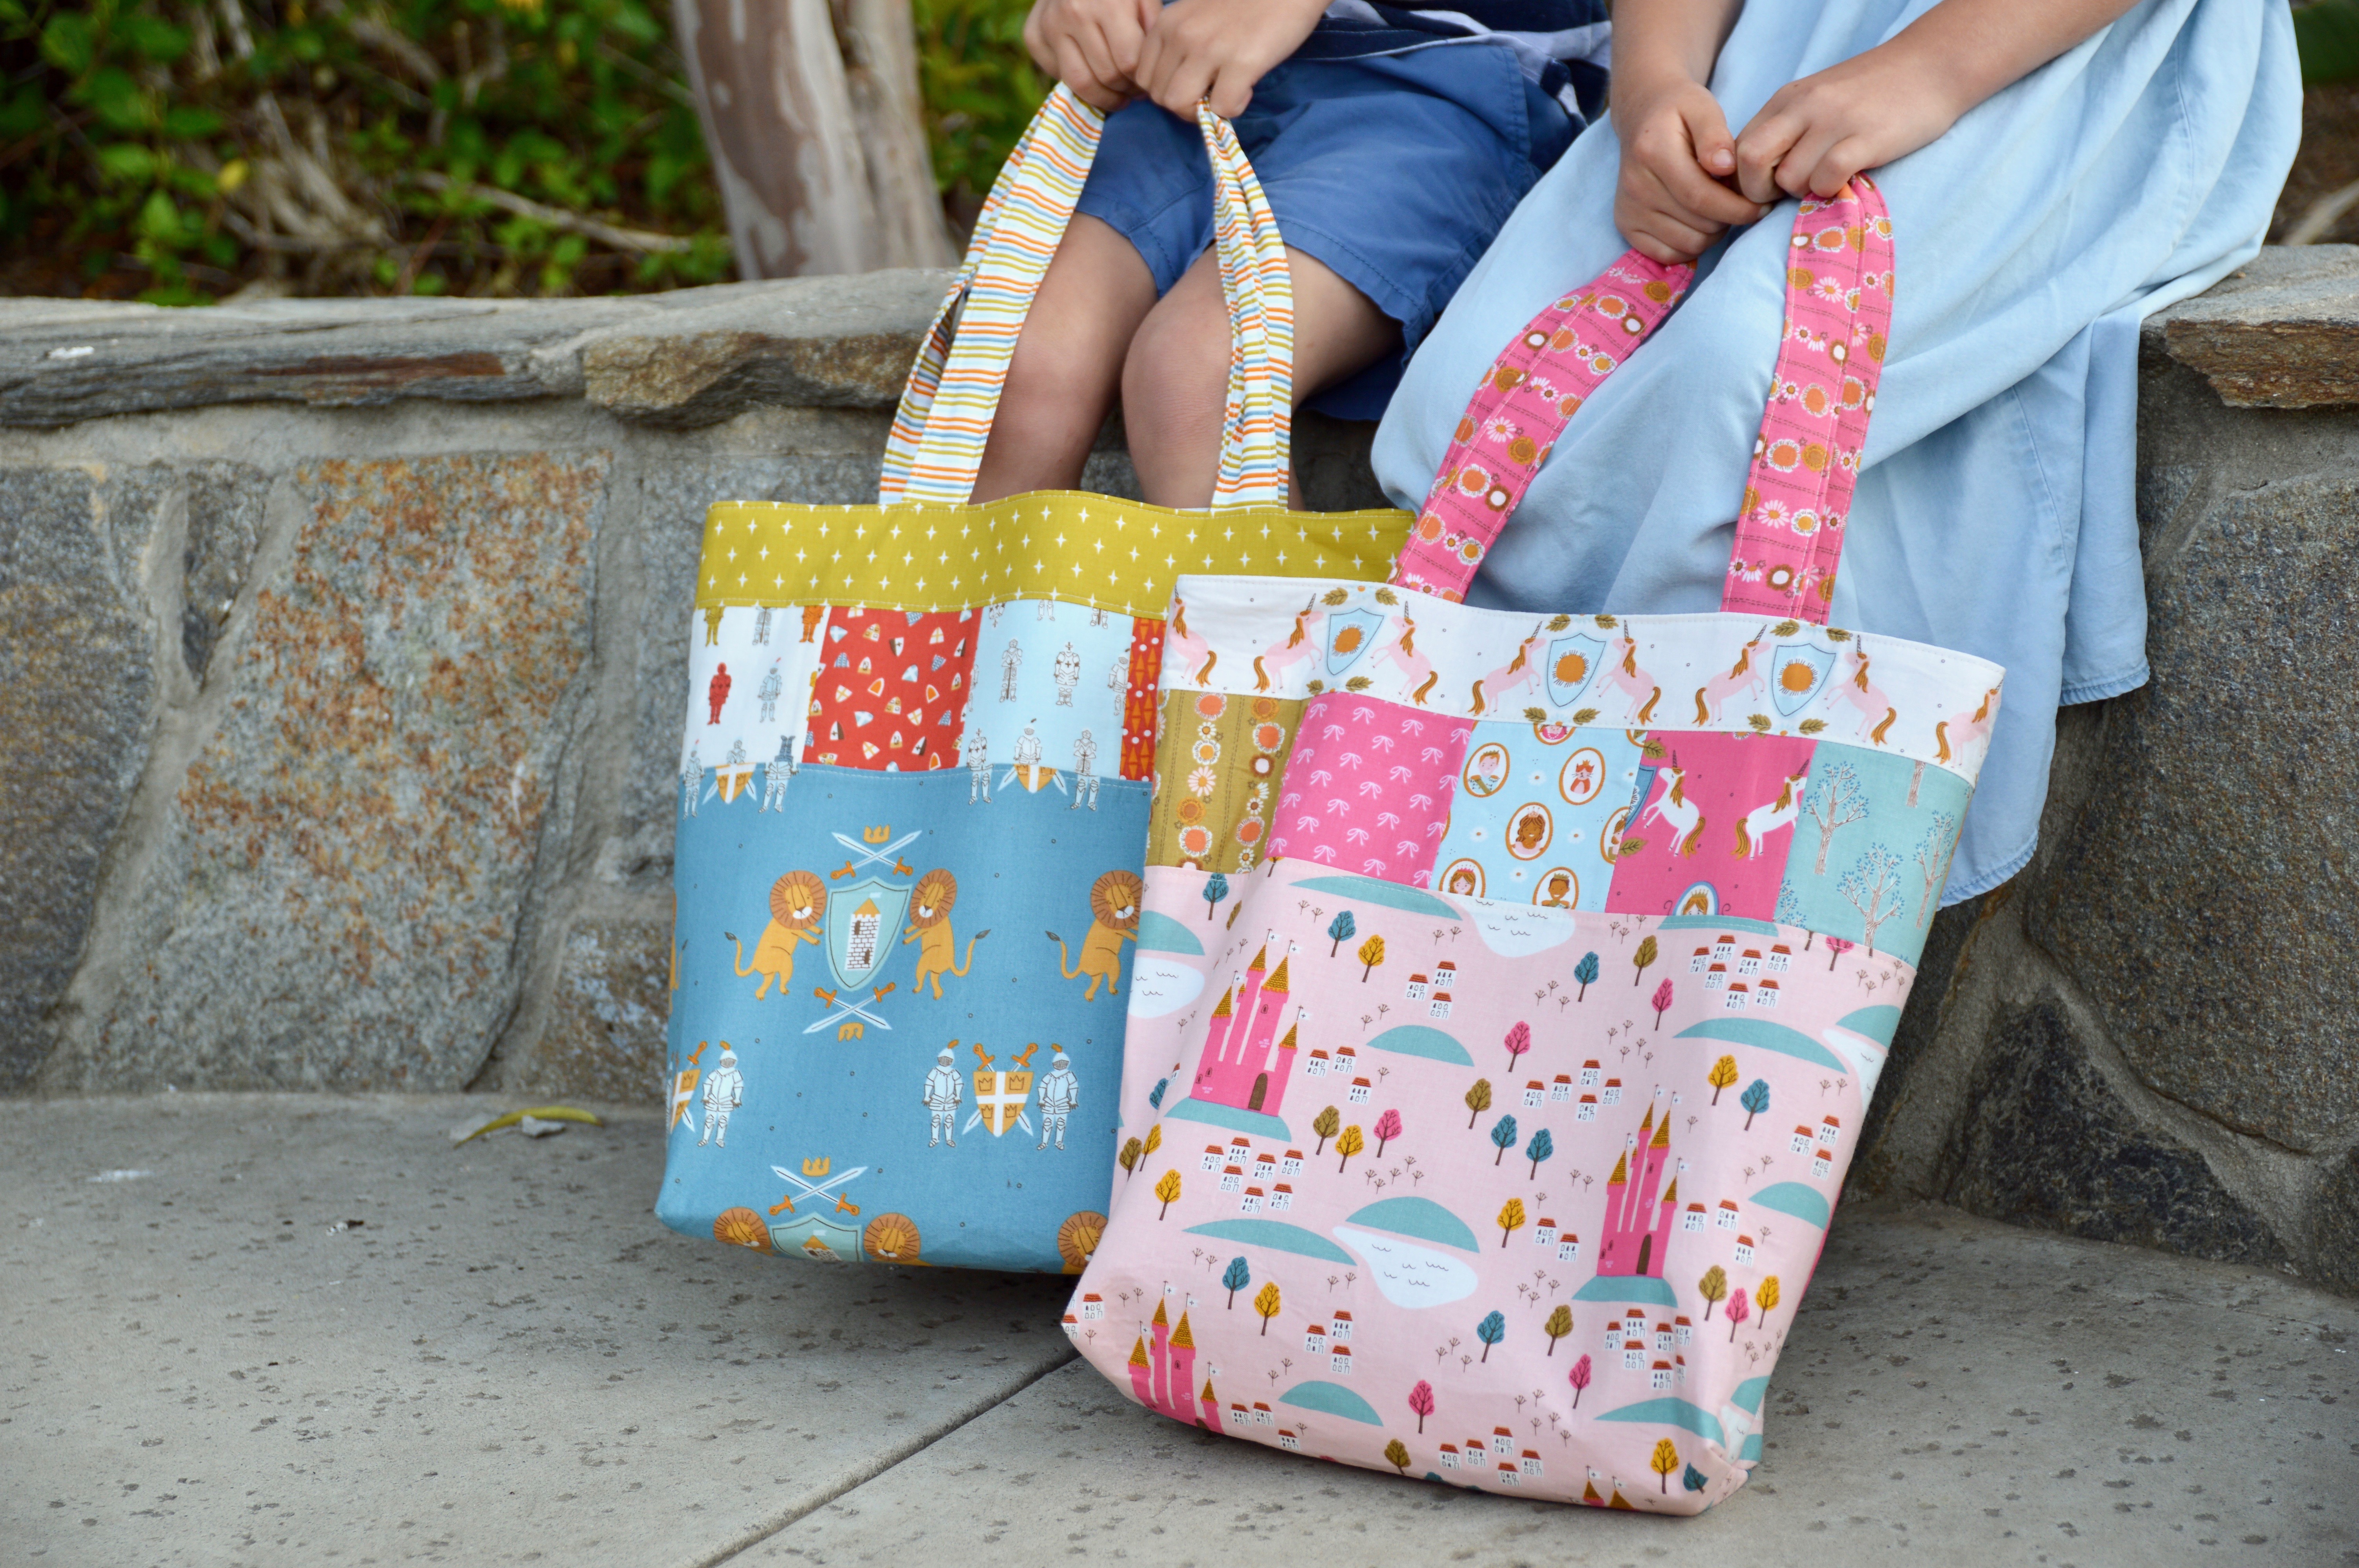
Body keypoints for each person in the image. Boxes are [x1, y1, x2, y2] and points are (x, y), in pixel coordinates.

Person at [1371, 0, 2298, 904]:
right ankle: (1489, 923)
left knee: (1748, 370)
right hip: (1772, 48)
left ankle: (1638, 930)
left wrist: (1931, 69)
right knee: (1478, 377)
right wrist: (1651, 87)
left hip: (2035, 53)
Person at [976, 0, 1612, 508]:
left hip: (1441, 78)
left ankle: (1251, 670)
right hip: (1177, 73)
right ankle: (980, 664)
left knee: (1198, 375)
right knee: (1010, 359)